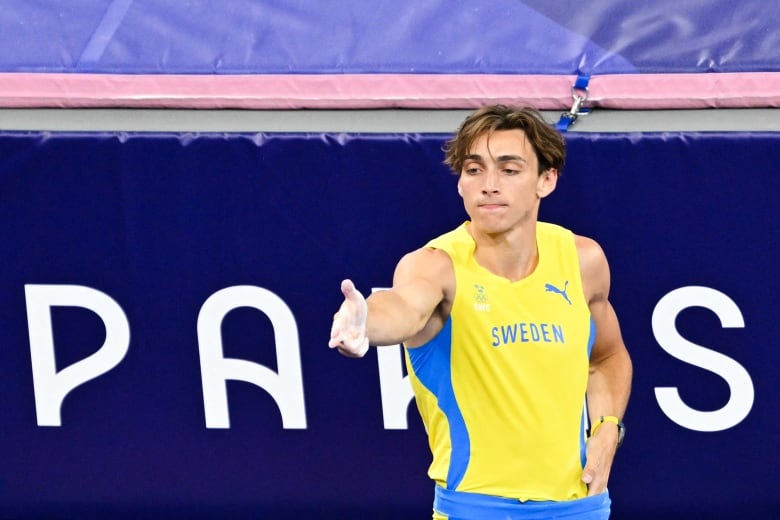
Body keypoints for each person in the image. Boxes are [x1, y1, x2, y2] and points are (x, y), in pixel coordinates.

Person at [329, 105, 632, 520]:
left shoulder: (582, 261)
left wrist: (607, 429)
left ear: (546, 179)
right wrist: (365, 322)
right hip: (476, 509)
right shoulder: (436, 265)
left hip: (581, 506)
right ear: (460, 184)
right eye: (474, 170)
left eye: (509, 170)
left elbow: (606, 358)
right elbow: (403, 307)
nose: (489, 185)